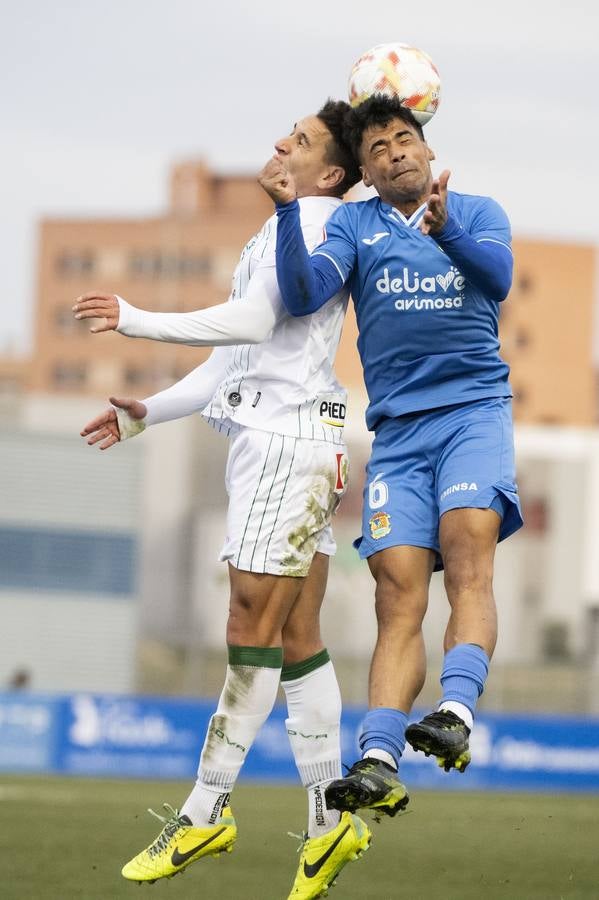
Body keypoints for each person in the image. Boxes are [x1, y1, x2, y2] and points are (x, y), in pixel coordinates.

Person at [74, 100, 375, 900]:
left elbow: (248, 317)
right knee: (298, 633)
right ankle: (327, 821)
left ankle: (206, 808)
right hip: (289, 441)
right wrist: (150, 412)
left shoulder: (312, 223)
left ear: (330, 174)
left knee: (249, 623)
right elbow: (239, 353)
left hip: (285, 445)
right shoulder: (280, 228)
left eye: (302, 140)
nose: (280, 142)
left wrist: (136, 317)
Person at [258, 94, 522, 815]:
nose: (395, 153)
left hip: (472, 415)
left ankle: (455, 713)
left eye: (405, 139)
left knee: (466, 550)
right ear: (365, 174)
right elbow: (305, 290)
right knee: (395, 594)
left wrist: (444, 235)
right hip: (398, 436)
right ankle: (377, 757)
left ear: (427, 150)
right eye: (377, 150)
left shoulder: (477, 211)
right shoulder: (352, 223)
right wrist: (287, 210)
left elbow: (495, 281)